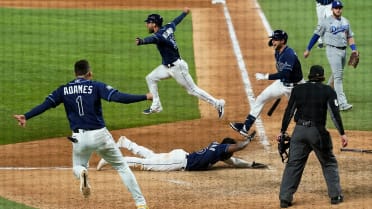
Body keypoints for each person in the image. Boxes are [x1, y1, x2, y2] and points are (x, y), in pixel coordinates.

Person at [13, 60, 151, 209]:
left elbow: (45, 105)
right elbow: (119, 98)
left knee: (77, 167)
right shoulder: (96, 86)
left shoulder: (64, 89)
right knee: (121, 167)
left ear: (75, 73)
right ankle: (141, 203)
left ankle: (83, 172)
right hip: (100, 135)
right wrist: (145, 96)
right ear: (89, 73)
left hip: (79, 138)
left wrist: (26, 116)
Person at [278, 65, 348, 208]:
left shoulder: (298, 89)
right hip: (317, 133)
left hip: (299, 132)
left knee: (293, 164)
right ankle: (335, 196)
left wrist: (282, 131)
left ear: (309, 76)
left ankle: (285, 199)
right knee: (328, 162)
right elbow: (334, 115)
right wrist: (342, 133)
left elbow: (289, 111)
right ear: (322, 77)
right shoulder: (328, 90)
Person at [136, 7, 225, 118]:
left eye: (148, 23)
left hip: (177, 68)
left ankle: (217, 104)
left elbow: (151, 39)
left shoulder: (159, 36)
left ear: (154, 24)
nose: (147, 25)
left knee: (192, 90)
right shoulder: (168, 27)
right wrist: (184, 13)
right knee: (150, 78)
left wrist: (142, 41)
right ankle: (156, 105)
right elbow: (175, 21)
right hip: (166, 67)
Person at [230, 30, 304, 137]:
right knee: (261, 98)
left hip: (296, 88)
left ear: (283, 41)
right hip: (283, 84)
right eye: (272, 39)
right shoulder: (277, 51)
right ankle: (245, 127)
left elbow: (286, 74)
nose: (273, 42)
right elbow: (283, 74)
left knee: (299, 114)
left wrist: (266, 76)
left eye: (275, 39)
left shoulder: (289, 54)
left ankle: (307, 133)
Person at [96, 134, 267, 171]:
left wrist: (251, 164)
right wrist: (247, 141)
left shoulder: (218, 151)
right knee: (147, 165)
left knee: (153, 158)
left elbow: (235, 161)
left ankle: (126, 143)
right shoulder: (222, 150)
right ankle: (112, 159)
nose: (231, 154)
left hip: (181, 155)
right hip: (180, 162)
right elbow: (236, 149)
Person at [304, 0, 358, 111]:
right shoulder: (325, 22)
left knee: (335, 75)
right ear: (332, 9)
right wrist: (308, 49)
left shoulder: (345, 21)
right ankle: (342, 104)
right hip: (332, 51)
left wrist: (354, 50)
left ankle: (322, 95)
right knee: (338, 77)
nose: (338, 10)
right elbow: (316, 35)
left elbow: (350, 36)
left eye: (340, 8)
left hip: (343, 51)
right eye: (336, 8)